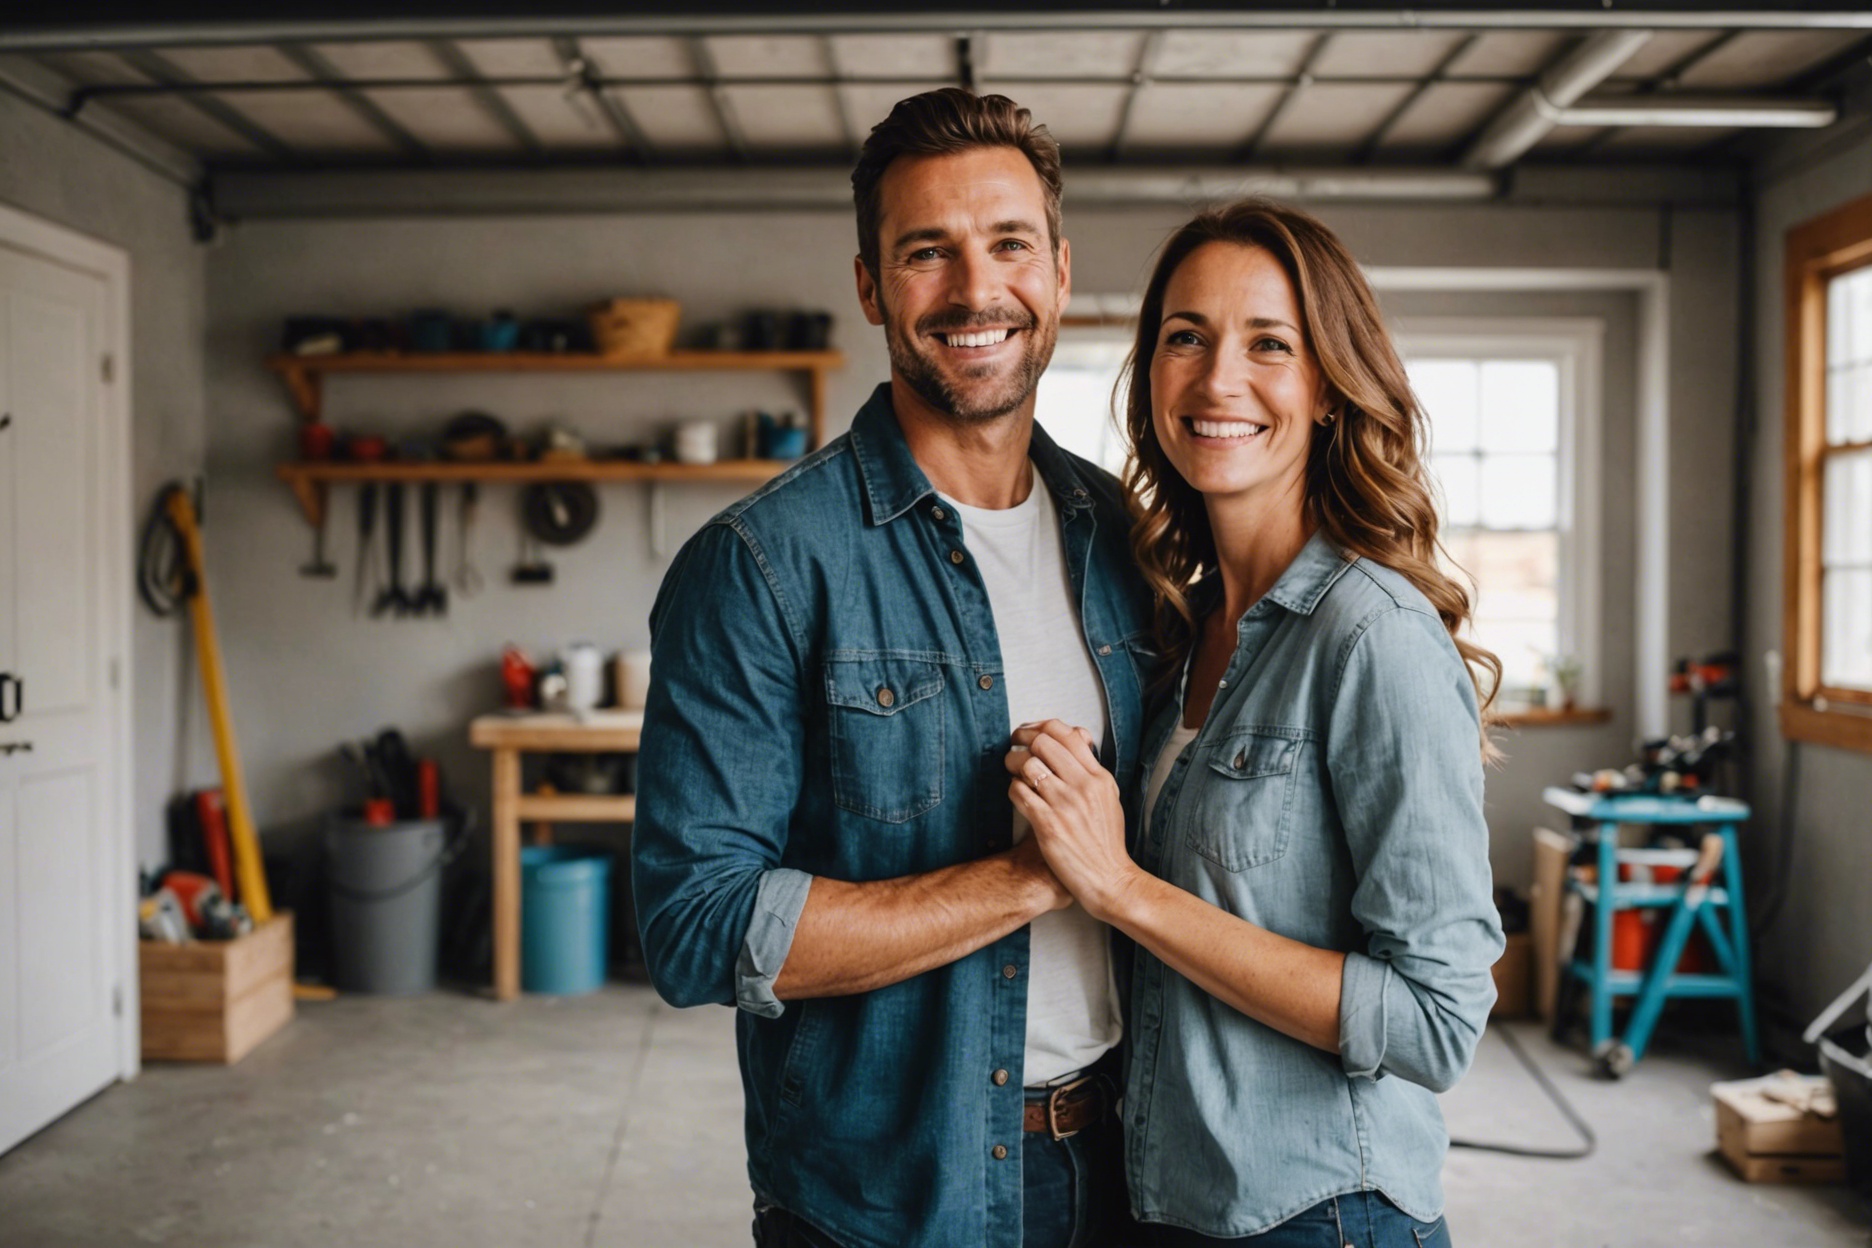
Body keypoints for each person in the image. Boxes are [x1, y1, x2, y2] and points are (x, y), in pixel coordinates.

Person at [632, 88, 1153, 1248]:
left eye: (1010, 245)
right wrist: (1034, 878)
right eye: (929, 253)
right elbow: (696, 926)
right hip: (890, 1198)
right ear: (871, 284)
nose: (977, 291)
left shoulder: (1133, 542)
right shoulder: (762, 564)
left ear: (1059, 271)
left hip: (1136, 1168)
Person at [1006, 199, 1505, 1247]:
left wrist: (1124, 890)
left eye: (1268, 344)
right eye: (1185, 337)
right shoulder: (1178, 633)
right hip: (1174, 1196)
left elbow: (1435, 1022)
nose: (1218, 378)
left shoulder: (1373, 639)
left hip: (1322, 1214)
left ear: (1327, 387)